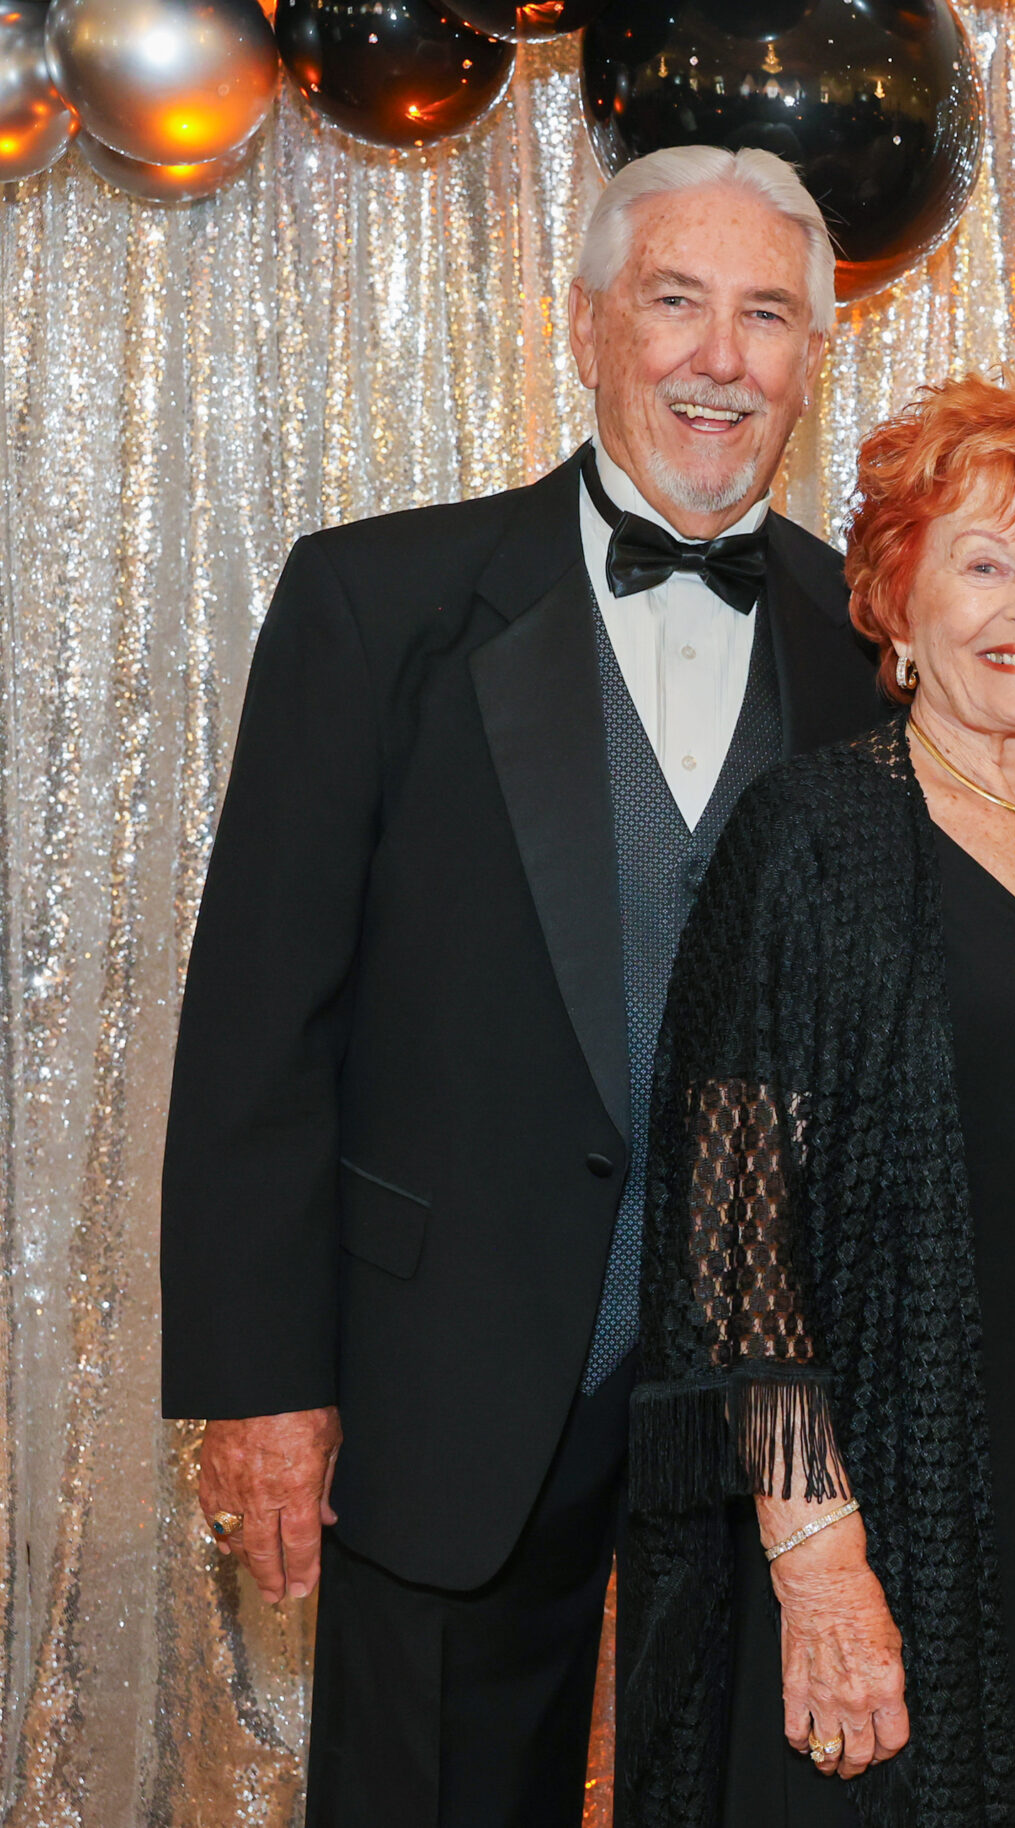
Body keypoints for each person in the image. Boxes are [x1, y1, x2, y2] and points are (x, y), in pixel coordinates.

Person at [158, 146, 882, 1825]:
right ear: (585, 323)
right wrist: (263, 1381)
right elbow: (262, 1020)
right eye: (676, 301)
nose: (721, 358)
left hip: (766, 1420)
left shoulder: (871, 638)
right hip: (447, 1378)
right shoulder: (376, 601)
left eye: (767, 315)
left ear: (810, 360)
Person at [615, 366, 1015, 1828]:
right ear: (898, 606)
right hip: (902, 1502)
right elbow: (734, 1238)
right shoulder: (813, 835)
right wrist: (818, 1561)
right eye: (984, 563)